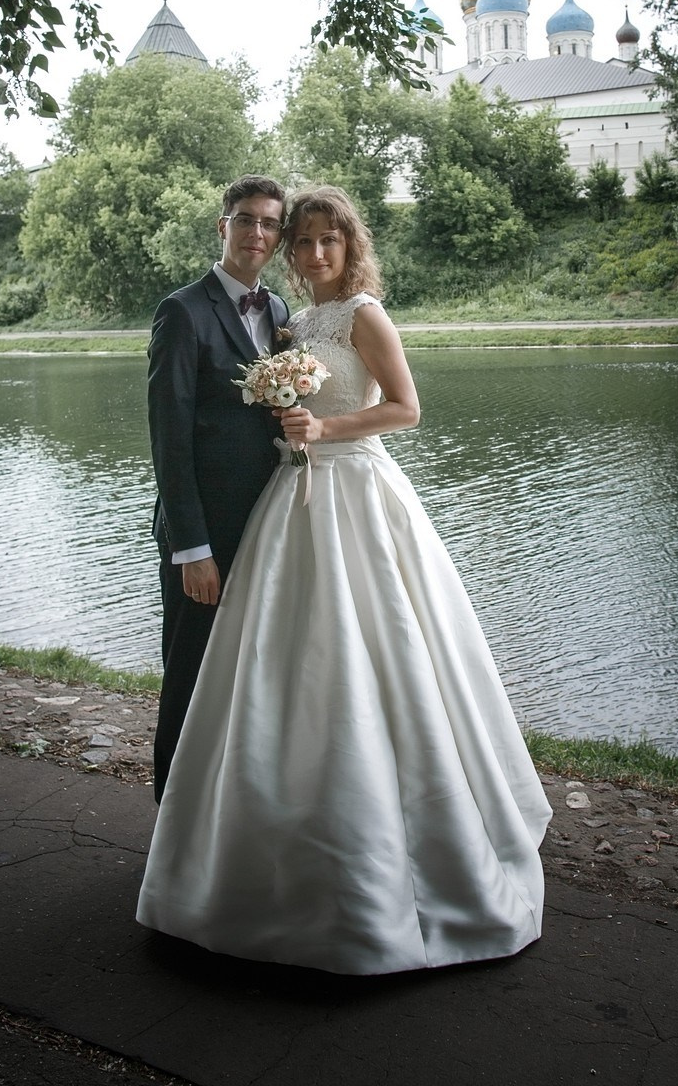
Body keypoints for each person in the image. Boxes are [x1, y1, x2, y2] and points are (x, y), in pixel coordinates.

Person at [137, 186, 550, 974]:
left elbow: (405, 408)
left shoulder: (360, 313)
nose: (313, 251)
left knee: (380, 655)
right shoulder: (270, 321)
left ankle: (392, 838)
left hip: (354, 493)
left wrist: (324, 427)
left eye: (328, 240)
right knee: (261, 673)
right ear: (268, 244)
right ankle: (208, 839)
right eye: (302, 240)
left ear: (347, 246)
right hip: (281, 507)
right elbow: (179, 431)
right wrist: (192, 542)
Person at [147, 174, 288, 802]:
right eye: (246, 219)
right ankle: (173, 820)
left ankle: (228, 818)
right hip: (205, 535)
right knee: (191, 674)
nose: (256, 232)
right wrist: (192, 548)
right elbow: (169, 439)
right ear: (222, 226)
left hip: (269, 525)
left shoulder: (280, 311)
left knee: (251, 672)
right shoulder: (182, 312)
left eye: (268, 223)